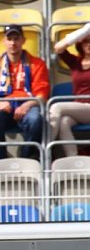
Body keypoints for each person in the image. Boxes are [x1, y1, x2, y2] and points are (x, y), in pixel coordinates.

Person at [0, 24, 50, 162]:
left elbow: (42, 95)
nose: (13, 43)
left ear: (23, 40)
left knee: (36, 119)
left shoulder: (37, 64)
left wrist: (27, 105)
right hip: (3, 107)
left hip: (27, 105)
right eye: (9, 39)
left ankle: (26, 158)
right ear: (3, 42)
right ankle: (0, 160)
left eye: (16, 39)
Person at [51, 22, 90, 158]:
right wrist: (83, 31)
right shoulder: (76, 62)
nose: (88, 45)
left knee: (57, 107)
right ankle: (73, 159)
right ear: (80, 44)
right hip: (80, 108)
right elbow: (58, 48)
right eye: (86, 42)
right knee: (64, 122)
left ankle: (43, 146)